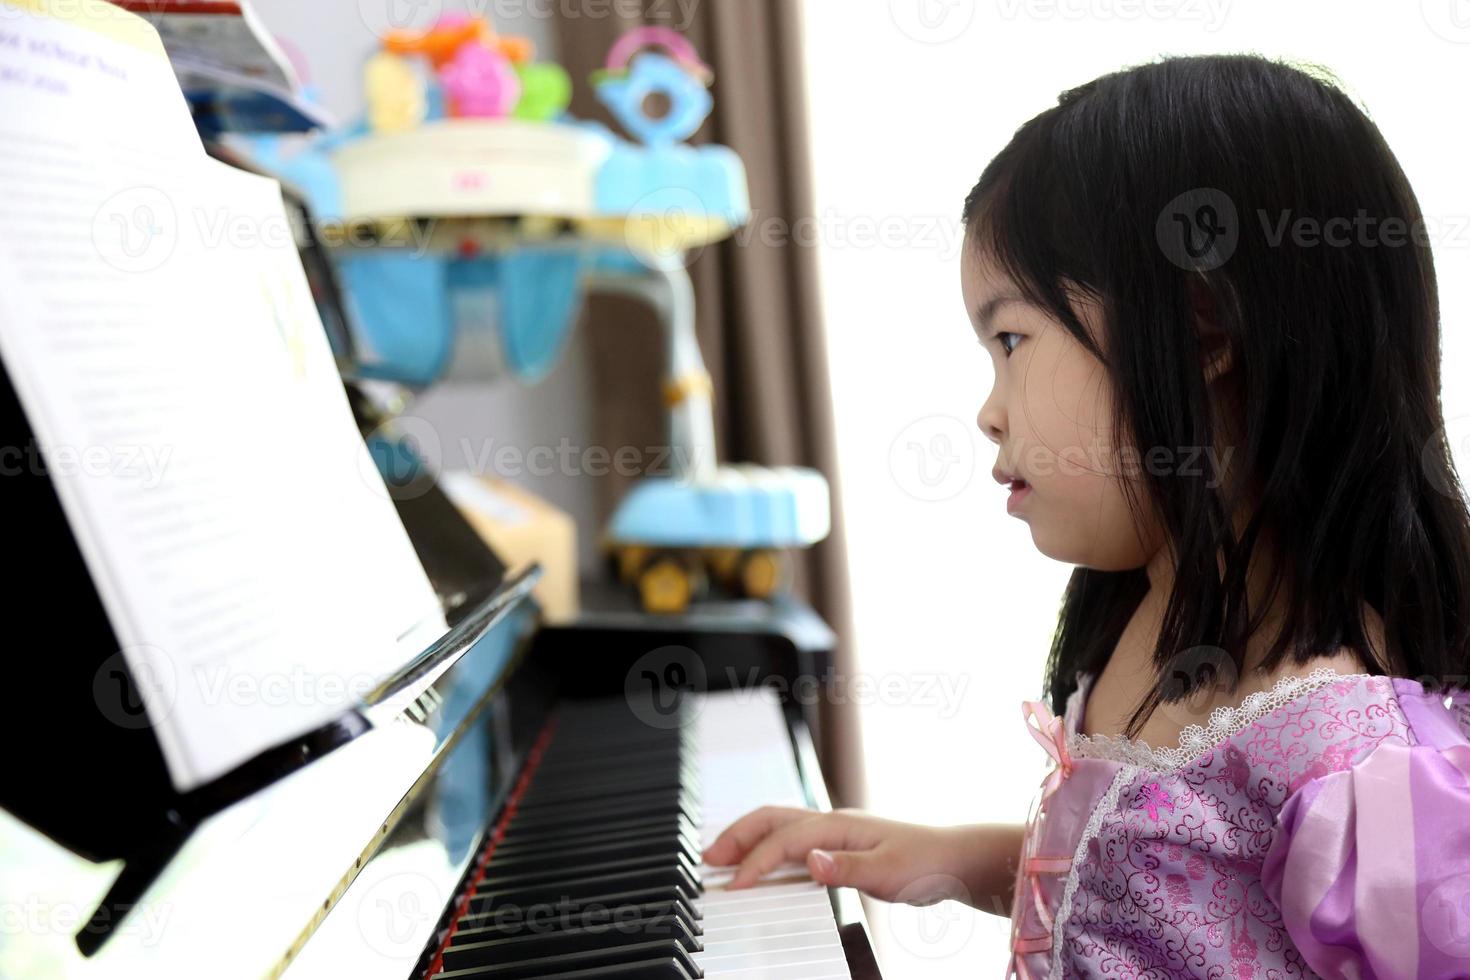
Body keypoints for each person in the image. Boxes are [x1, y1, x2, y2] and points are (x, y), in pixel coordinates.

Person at [705, 52, 1470, 978]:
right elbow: (1148, 893)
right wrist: (958, 857)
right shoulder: (1148, 605)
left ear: (1203, 335)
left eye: (1011, 340)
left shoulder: (1357, 766)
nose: (989, 409)